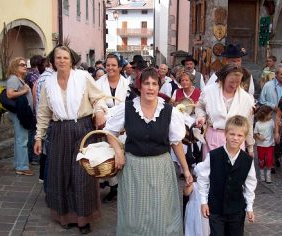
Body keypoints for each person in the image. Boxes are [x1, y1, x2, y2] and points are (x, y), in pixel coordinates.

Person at [104, 67, 193, 235]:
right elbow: (109, 132)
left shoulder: (169, 111)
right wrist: (118, 152)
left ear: (159, 87)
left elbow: (176, 142)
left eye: (154, 84)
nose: (150, 87)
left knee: (161, 213)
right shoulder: (127, 108)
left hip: (160, 168)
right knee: (134, 214)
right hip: (133, 168)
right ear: (140, 86)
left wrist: (186, 169)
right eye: (146, 83)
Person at [34, 45, 107, 234]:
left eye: (65, 57)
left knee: (82, 174)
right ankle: (64, 216)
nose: (61, 61)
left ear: (72, 60)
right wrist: (39, 137)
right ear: (53, 61)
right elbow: (43, 113)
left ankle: (83, 219)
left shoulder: (83, 77)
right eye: (58, 57)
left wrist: (99, 111)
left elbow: (98, 98)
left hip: (82, 128)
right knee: (60, 174)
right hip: (59, 130)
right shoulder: (48, 83)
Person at [196, 115, 257, 236]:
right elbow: (203, 178)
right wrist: (203, 201)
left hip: (237, 210)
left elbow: (250, 184)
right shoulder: (213, 156)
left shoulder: (247, 160)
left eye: (240, 135)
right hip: (216, 209)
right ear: (225, 134)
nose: (235, 138)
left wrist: (249, 207)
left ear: (245, 137)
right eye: (232, 134)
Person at [95, 53, 136, 203]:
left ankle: (121, 187)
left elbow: (132, 105)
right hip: (103, 124)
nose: (110, 68)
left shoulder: (128, 85)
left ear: (120, 67)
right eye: (108, 65)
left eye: (114, 65)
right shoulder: (98, 84)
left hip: (122, 127)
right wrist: (99, 113)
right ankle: (111, 185)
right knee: (107, 156)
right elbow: (95, 101)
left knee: (121, 155)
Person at [195, 63, 255, 159]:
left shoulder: (246, 98)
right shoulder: (209, 92)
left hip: (236, 140)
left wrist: (250, 147)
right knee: (212, 170)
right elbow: (200, 107)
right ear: (223, 79)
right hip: (213, 138)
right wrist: (201, 117)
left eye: (237, 82)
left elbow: (248, 123)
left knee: (233, 172)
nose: (234, 85)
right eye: (231, 82)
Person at [258, 63, 282, 171]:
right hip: (270, 116)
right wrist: (273, 106)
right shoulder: (268, 85)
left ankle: (276, 158)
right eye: (281, 74)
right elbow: (261, 101)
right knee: (269, 140)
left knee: (279, 140)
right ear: (276, 74)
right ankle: (269, 162)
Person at [6, 57, 34, 176]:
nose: (25, 66)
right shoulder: (13, 79)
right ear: (14, 67)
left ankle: (20, 163)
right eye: (22, 65)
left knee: (21, 139)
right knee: (22, 140)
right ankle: (22, 167)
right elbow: (10, 94)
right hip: (19, 114)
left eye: (25, 64)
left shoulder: (19, 79)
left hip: (22, 114)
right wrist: (24, 90)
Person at [254, 105, 275, 183]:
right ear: (264, 115)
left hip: (270, 145)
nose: (271, 116)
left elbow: (274, 130)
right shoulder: (258, 124)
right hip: (261, 145)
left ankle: (268, 176)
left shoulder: (271, 122)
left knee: (269, 160)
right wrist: (259, 137)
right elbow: (255, 133)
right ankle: (262, 174)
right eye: (270, 114)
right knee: (261, 160)